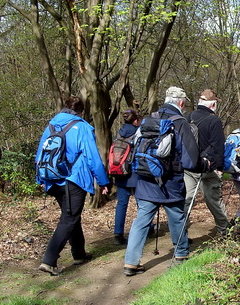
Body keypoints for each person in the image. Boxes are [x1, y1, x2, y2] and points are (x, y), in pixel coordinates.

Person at [123, 86, 199, 276]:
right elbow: (191, 161)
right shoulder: (180, 123)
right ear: (181, 103)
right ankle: (181, 254)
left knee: (141, 220)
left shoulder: (148, 120)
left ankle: (131, 262)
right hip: (170, 184)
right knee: (177, 217)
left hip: (145, 180)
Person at [36, 96, 110, 276]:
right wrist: (103, 181)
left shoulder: (51, 126)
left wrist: (41, 179)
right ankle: (49, 260)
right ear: (81, 111)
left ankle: (79, 254)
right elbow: (93, 157)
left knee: (71, 216)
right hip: (73, 180)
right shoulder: (82, 127)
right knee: (69, 219)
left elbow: (39, 154)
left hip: (52, 180)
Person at [183, 89, 228, 236]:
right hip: (208, 168)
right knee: (214, 201)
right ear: (213, 104)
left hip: (189, 167)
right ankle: (224, 230)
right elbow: (218, 146)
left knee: (186, 201)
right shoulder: (213, 120)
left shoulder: (187, 116)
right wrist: (220, 167)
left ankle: (180, 235)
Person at [113, 109, 142, 246]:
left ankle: (118, 233)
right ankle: (147, 228)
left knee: (121, 204)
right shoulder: (139, 132)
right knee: (142, 204)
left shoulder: (118, 133)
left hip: (120, 172)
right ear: (136, 120)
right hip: (136, 174)